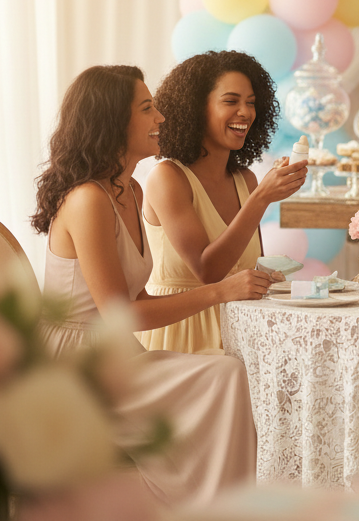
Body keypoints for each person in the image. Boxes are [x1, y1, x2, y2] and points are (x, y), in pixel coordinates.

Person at [33, 65, 269, 506]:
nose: (160, 118)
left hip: (115, 354)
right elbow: (120, 315)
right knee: (224, 378)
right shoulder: (87, 200)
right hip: (75, 367)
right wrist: (221, 291)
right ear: (113, 121)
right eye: (147, 108)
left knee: (228, 374)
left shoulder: (130, 190)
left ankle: (221, 509)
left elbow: (138, 297)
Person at [140, 51, 307, 354]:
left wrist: (268, 276)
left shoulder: (246, 180)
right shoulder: (167, 178)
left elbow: (242, 265)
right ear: (195, 109)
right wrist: (262, 198)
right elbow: (209, 271)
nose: (245, 112)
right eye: (231, 101)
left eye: (251, 103)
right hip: (182, 337)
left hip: (240, 334)